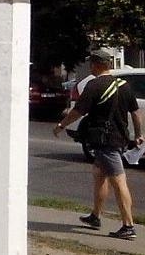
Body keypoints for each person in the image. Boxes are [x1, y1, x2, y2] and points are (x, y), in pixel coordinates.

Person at [54, 48, 143, 240]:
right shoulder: (124, 85)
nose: (90, 66)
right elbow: (135, 112)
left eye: (92, 63)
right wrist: (138, 135)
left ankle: (128, 226)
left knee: (119, 181)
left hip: (104, 140)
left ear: (97, 64)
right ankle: (95, 216)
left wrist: (61, 125)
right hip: (118, 138)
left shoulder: (94, 86)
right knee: (99, 175)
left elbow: (78, 111)